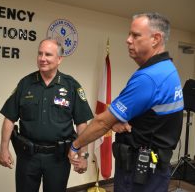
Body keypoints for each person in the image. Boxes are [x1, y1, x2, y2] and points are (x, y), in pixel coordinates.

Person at [68, 12, 184, 192]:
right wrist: (116, 122)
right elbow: (149, 116)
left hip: (140, 175)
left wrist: (75, 146)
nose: (128, 40)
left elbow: (102, 122)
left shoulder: (149, 77)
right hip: (154, 169)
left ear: (156, 39)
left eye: (136, 35)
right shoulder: (167, 68)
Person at [0, 38, 94, 192]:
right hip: (28, 157)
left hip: (58, 159)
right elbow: (9, 117)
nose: (42, 59)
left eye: (48, 55)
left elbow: (82, 123)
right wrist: (4, 148)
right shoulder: (25, 83)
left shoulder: (71, 86)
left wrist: (84, 155)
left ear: (59, 59)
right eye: (40, 54)